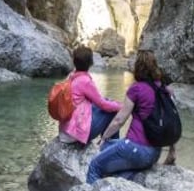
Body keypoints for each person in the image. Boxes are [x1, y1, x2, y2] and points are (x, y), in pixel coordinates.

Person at [86, 50, 176, 183]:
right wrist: (172, 152)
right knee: (108, 147)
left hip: (135, 149)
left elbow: (119, 120)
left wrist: (104, 136)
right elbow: (171, 122)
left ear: (138, 67)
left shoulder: (137, 89)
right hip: (154, 154)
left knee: (94, 166)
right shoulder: (163, 89)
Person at [59, 45, 122, 145]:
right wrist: (121, 106)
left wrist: (110, 102)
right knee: (112, 111)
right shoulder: (85, 81)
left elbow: (98, 101)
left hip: (65, 131)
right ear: (90, 63)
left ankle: (107, 143)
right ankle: (111, 146)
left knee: (106, 102)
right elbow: (102, 104)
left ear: (74, 61)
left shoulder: (71, 76)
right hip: (75, 135)